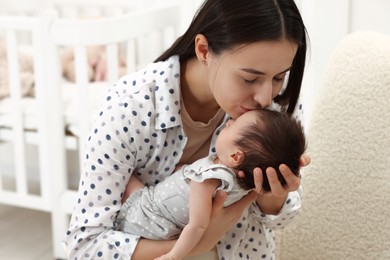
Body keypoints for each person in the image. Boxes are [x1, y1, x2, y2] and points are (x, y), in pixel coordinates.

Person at [65, 0, 310, 259]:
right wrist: (199, 243)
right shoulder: (131, 105)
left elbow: (280, 220)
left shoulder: (279, 101)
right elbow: (85, 247)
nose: (265, 97)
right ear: (204, 50)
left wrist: (273, 196)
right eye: (250, 78)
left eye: (279, 76)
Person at [115, 109, 306, 260]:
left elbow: (197, 225)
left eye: (233, 126)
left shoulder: (207, 180)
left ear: (235, 156)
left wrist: (173, 255)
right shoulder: (244, 185)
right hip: (162, 219)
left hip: (148, 214)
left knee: (125, 177)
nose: (228, 122)